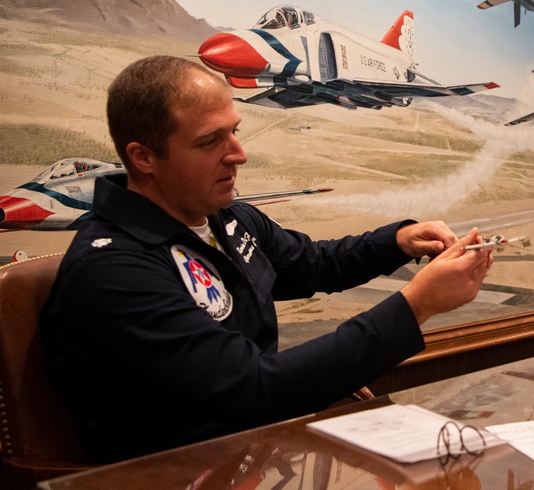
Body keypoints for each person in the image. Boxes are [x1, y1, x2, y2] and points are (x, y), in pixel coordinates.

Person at [40, 55, 493, 464]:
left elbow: (313, 264)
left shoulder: (223, 218)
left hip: (252, 453)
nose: (239, 154)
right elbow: (253, 388)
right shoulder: (114, 270)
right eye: (211, 141)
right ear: (143, 157)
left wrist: (397, 240)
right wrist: (418, 305)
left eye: (234, 131)